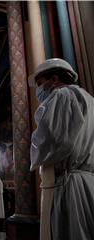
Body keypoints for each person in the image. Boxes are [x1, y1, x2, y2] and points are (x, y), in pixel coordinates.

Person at [29, 58, 94, 240]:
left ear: (55, 79)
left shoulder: (62, 95)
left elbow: (50, 140)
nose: (39, 91)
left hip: (69, 185)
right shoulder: (90, 101)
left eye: (40, 84)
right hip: (89, 181)